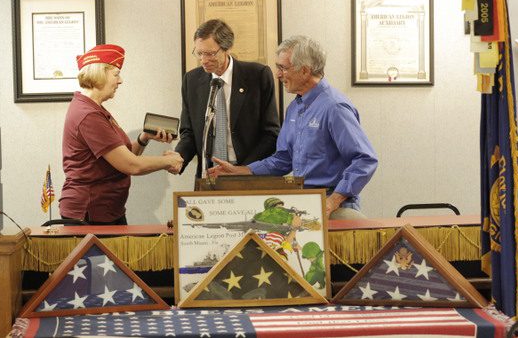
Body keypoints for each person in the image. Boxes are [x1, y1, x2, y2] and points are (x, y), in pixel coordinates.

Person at [209, 35, 378, 220]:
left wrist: (334, 199)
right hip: (304, 202)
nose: (278, 74)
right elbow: (283, 159)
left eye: (283, 68)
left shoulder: (334, 107)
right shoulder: (294, 108)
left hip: (333, 206)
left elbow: (365, 160)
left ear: (305, 71)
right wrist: (241, 171)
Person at [60, 44, 184, 225]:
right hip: (90, 213)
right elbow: (131, 165)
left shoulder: (93, 108)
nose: (120, 81)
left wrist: (144, 138)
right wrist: (169, 161)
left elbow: (123, 156)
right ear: (100, 74)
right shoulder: (89, 115)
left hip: (107, 210)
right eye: (116, 74)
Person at [174, 19, 280, 179]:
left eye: (210, 54)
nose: (203, 60)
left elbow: (271, 133)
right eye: (199, 53)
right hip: (209, 176)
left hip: (249, 174)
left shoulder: (257, 76)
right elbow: (189, 133)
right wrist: (178, 158)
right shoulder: (192, 80)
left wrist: (242, 170)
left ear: (227, 48)